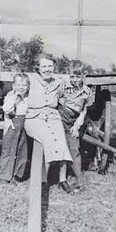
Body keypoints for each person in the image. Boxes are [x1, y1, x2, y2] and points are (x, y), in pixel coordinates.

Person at [24, 56, 74, 194]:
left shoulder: (59, 82)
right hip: (34, 118)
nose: (47, 69)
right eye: (44, 66)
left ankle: (62, 180)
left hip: (53, 117)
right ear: (38, 68)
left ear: (54, 68)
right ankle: (42, 182)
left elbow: (73, 87)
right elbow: (18, 86)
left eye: (50, 66)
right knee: (49, 141)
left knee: (62, 142)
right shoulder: (31, 79)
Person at [58, 65, 94, 191]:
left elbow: (84, 109)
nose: (75, 79)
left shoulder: (87, 91)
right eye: (72, 76)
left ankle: (79, 180)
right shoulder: (63, 86)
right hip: (61, 117)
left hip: (75, 120)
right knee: (61, 147)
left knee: (74, 149)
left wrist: (77, 124)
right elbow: (55, 101)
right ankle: (59, 178)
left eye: (78, 76)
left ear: (84, 76)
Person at [0, 73, 30, 184]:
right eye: (18, 85)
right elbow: (6, 109)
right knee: (8, 150)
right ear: (13, 86)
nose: (21, 87)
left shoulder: (28, 97)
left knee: (22, 149)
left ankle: (18, 174)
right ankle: (5, 176)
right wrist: (16, 97)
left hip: (25, 123)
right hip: (12, 123)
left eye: (24, 85)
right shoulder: (10, 95)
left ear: (28, 87)